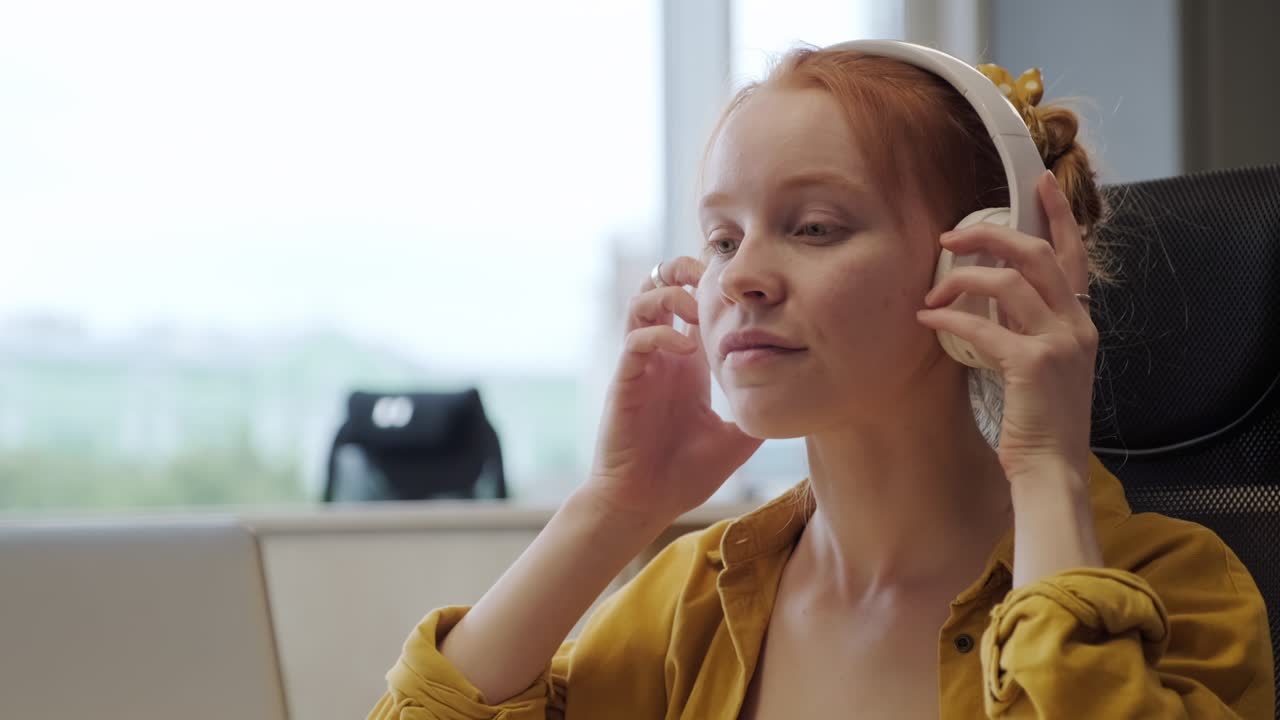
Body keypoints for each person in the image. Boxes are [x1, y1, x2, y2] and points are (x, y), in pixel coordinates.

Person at [368, 42, 1274, 719]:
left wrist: (1046, 469)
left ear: (995, 256)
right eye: (722, 238)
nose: (740, 277)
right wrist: (615, 503)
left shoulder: (1172, 586)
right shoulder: (692, 600)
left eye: (813, 227)